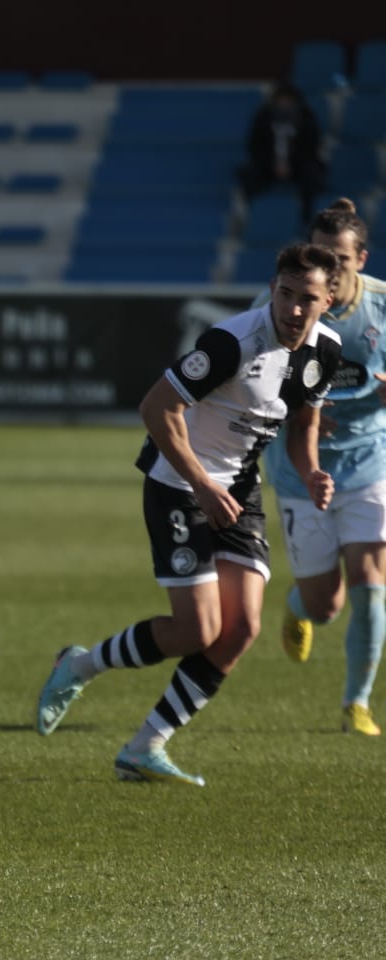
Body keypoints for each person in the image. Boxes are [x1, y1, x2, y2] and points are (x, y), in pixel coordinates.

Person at [36, 242, 343, 786]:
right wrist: (200, 483)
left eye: (308, 299)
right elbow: (157, 407)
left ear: (329, 298)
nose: (294, 309)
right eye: (286, 294)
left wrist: (313, 469)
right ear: (273, 290)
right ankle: (79, 666)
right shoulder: (231, 343)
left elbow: (301, 427)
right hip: (179, 484)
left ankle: (144, 746)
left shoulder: (325, 351)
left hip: (238, 490)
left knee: (241, 628)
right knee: (198, 628)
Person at [266, 199, 386, 736]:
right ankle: (299, 606)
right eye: (323, 256)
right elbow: (255, 381)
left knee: (370, 580)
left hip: (369, 458)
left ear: (361, 258)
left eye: (341, 258)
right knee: (326, 603)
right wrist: (303, 415)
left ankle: (356, 704)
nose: (331, 270)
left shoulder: (381, 308)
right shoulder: (286, 304)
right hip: (299, 467)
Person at [237, 80, 328, 226]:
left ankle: (308, 219)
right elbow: (255, 145)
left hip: (299, 164)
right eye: (281, 100)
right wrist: (274, 163)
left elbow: (312, 147)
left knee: (312, 178)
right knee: (249, 176)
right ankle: (249, 219)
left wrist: (291, 163)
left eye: (288, 100)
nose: (284, 103)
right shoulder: (264, 117)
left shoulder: (307, 118)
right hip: (269, 164)